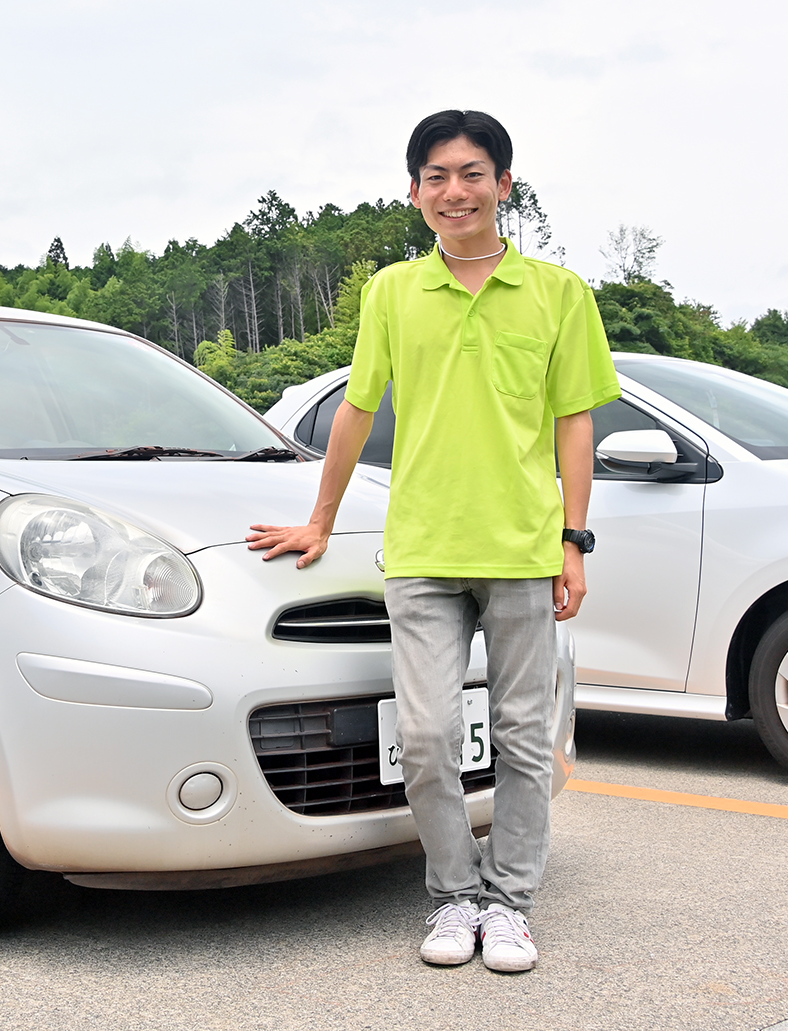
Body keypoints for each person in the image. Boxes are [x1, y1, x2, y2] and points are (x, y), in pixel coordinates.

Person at [246, 109, 618, 973]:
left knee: (525, 737)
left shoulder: (558, 294)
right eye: (438, 177)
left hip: (523, 552)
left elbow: (575, 424)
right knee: (423, 735)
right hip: (420, 552)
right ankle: (455, 895)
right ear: (415, 193)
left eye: (473, 173)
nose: (456, 191)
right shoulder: (392, 293)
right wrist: (322, 519)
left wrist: (573, 541)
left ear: (504, 185)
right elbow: (358, 408)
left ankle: (511, 902)